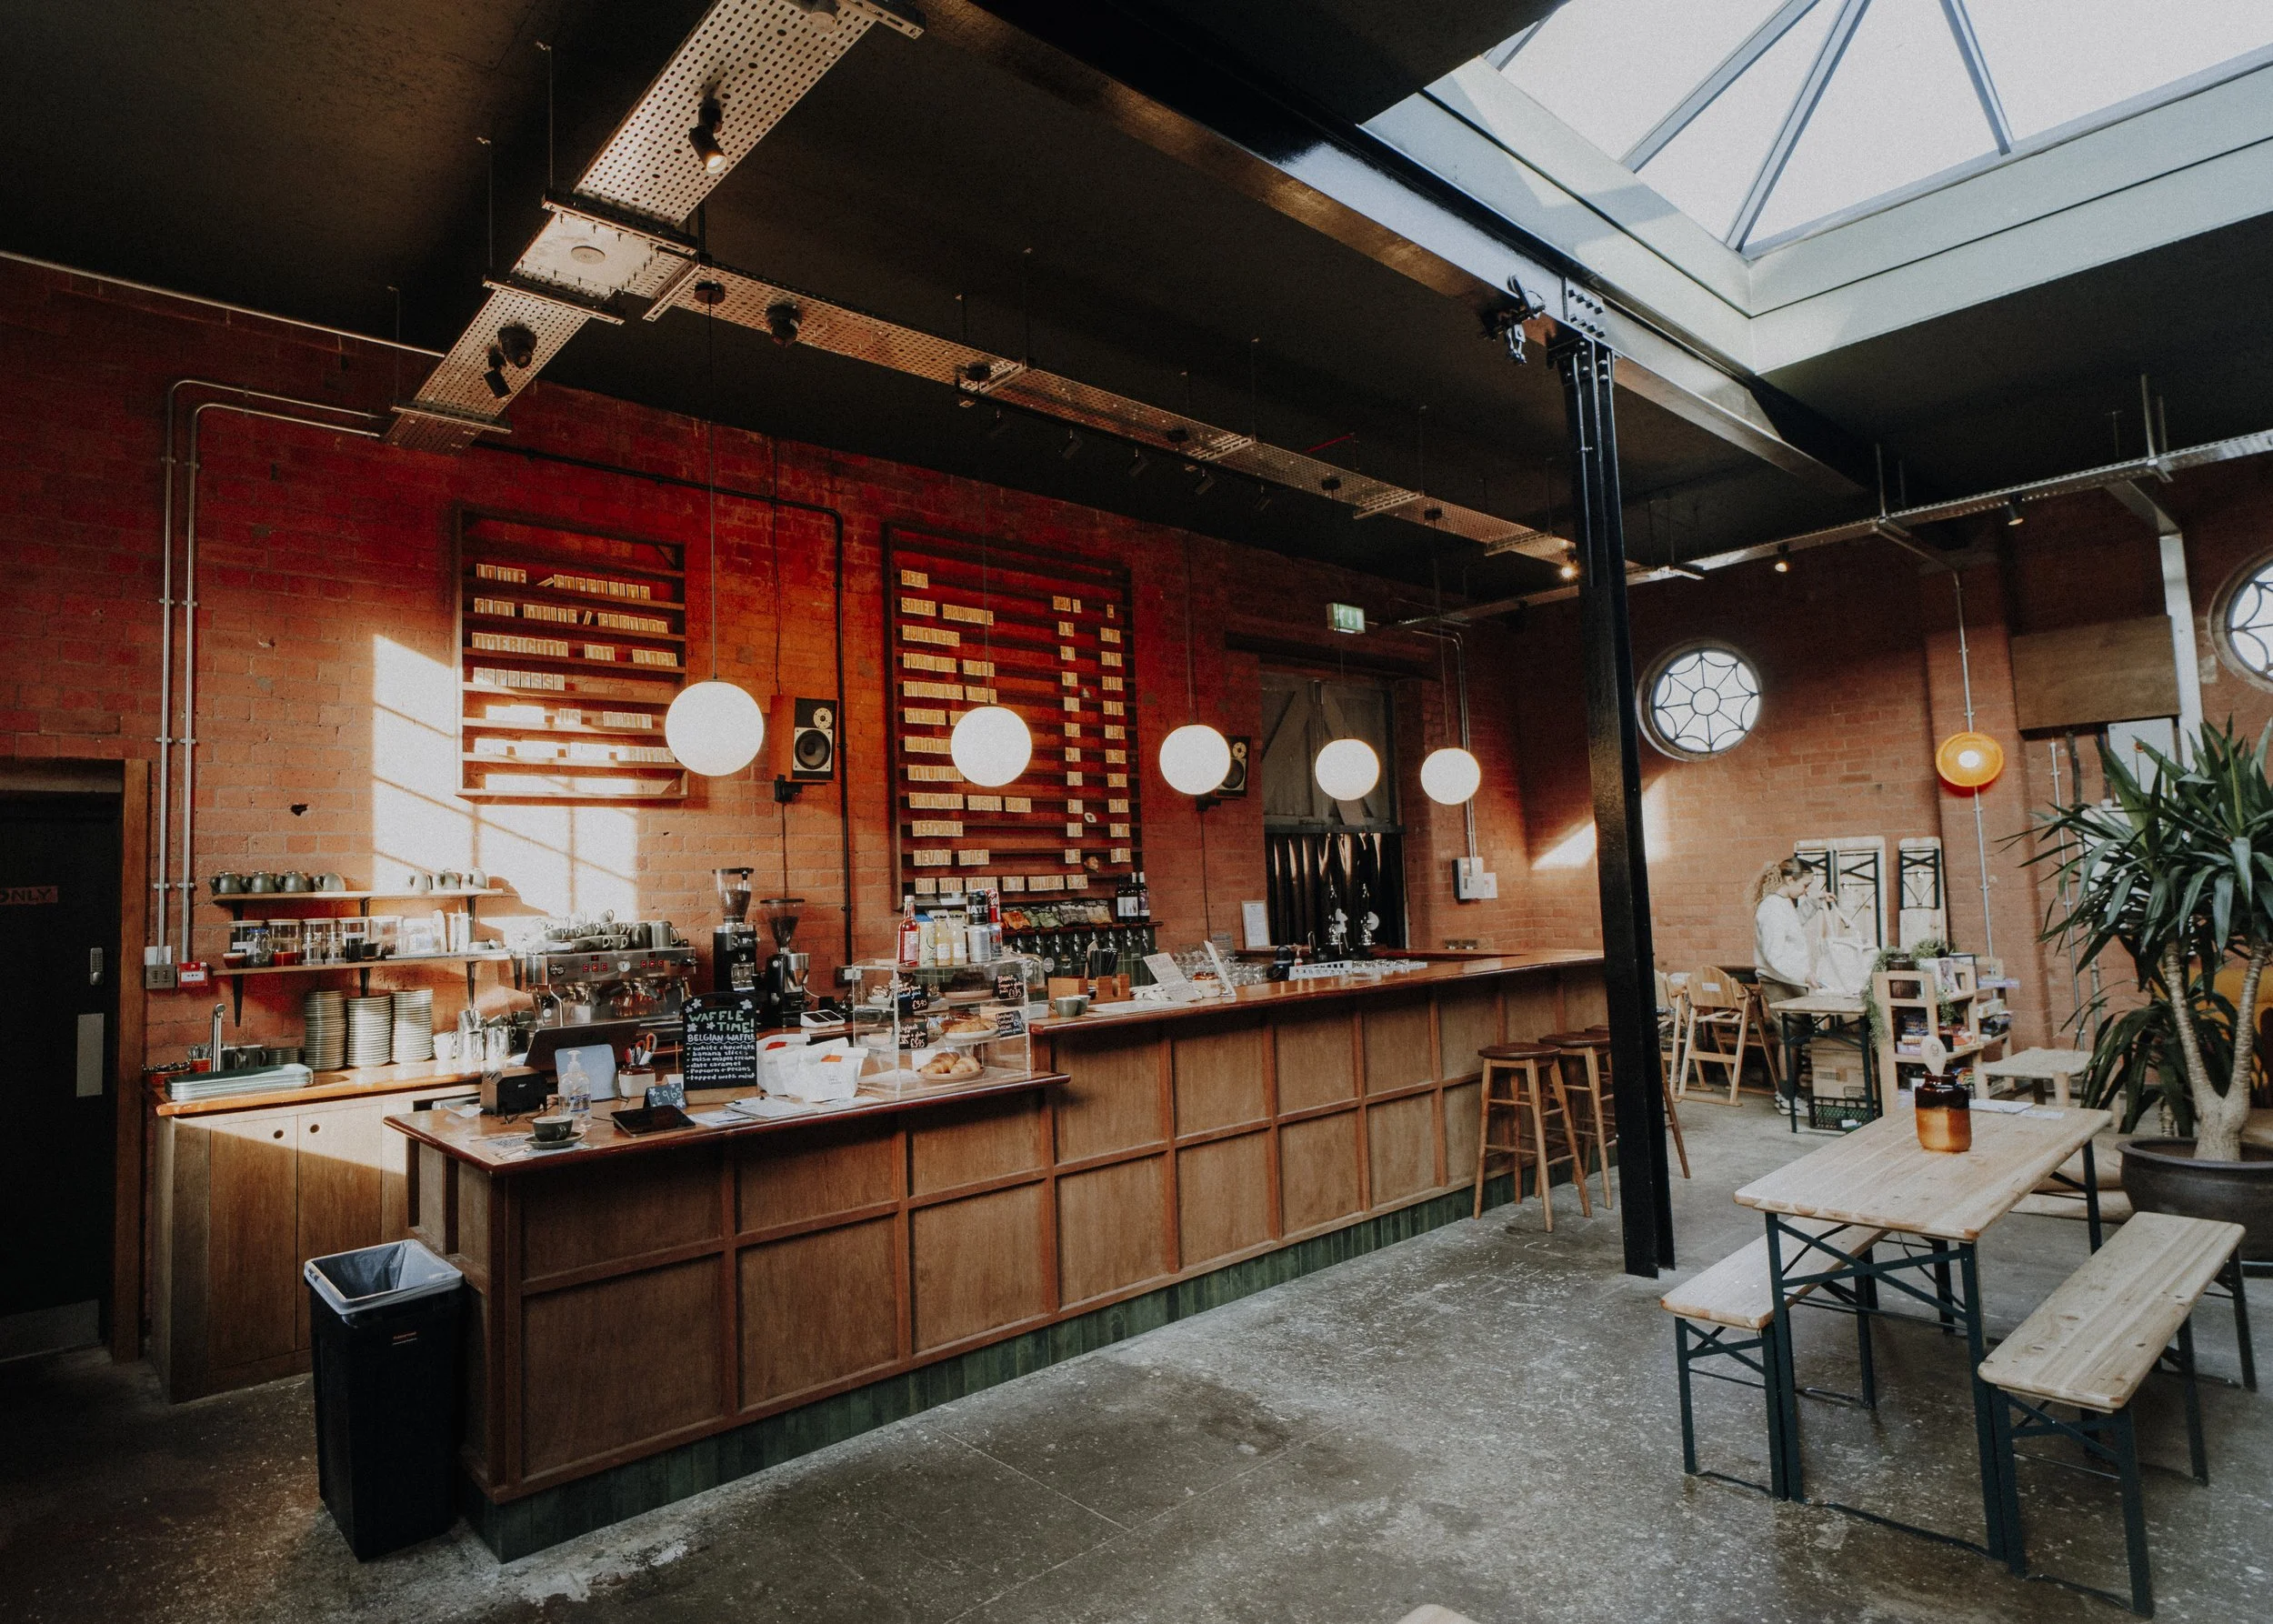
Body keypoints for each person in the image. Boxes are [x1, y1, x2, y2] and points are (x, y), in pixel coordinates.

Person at [1752, 857, 1817, 1007]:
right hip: (1779, 981)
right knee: (1796, 1030)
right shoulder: (1772, 908)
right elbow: (1774, 955)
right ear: (1790, 880)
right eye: (1805, 885)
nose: (1805, 891)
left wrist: (1815, 902)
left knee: (1803, 1029)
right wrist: (1805, 975)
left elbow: (1793, 925)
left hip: (1788, 978)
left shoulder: (1782, 902)